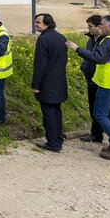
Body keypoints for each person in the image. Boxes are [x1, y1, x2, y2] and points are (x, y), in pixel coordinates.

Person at [67, 14, 110, 161]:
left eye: (102, 24)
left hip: (109, 84)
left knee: (99, 114)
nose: (100, 26)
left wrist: (77, 48)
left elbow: (98, 58)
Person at [31, 13, 68, 153]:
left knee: (49, 114)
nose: (36, 24)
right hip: (59, 80)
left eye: (38, 22)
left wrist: (35, 84)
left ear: (47, 23)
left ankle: (53, 143)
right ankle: (58, 139)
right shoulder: (61, 37)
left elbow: (40, 65)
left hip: (47, 83)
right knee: (56, 112)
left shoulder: (43, 40)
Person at [77, 15, 105, 144]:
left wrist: (77, 49)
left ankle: (109, 138)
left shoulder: (106, 41)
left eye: (90, 26)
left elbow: (96, 57)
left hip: (101, 80)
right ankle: (96, 134)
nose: (88, 28)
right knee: (93, 108)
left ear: (99, 26)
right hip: (91, 79)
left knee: (101, 110)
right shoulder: (91, 39)